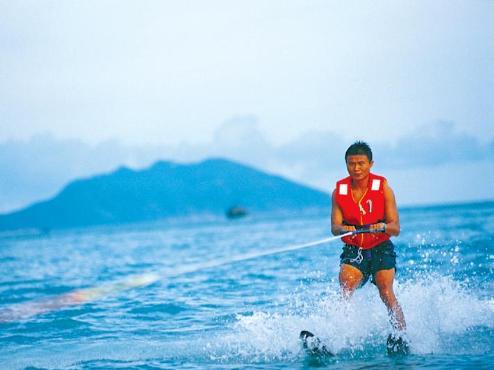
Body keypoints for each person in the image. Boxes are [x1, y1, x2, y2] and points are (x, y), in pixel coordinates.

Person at [331, 141, 409, 354]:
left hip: (381, 246)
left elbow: (396, 228)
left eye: (361, 163)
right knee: (346, 288)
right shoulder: (339, 191)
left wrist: (382, 226)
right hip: (354, 249)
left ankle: (401, 336)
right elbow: (335, 227)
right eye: (351, 164)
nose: (356, 168)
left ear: (370, 164)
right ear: (346, 165)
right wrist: (345, 229)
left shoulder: (383, 188)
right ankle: (339, 339)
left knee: (385, 289)